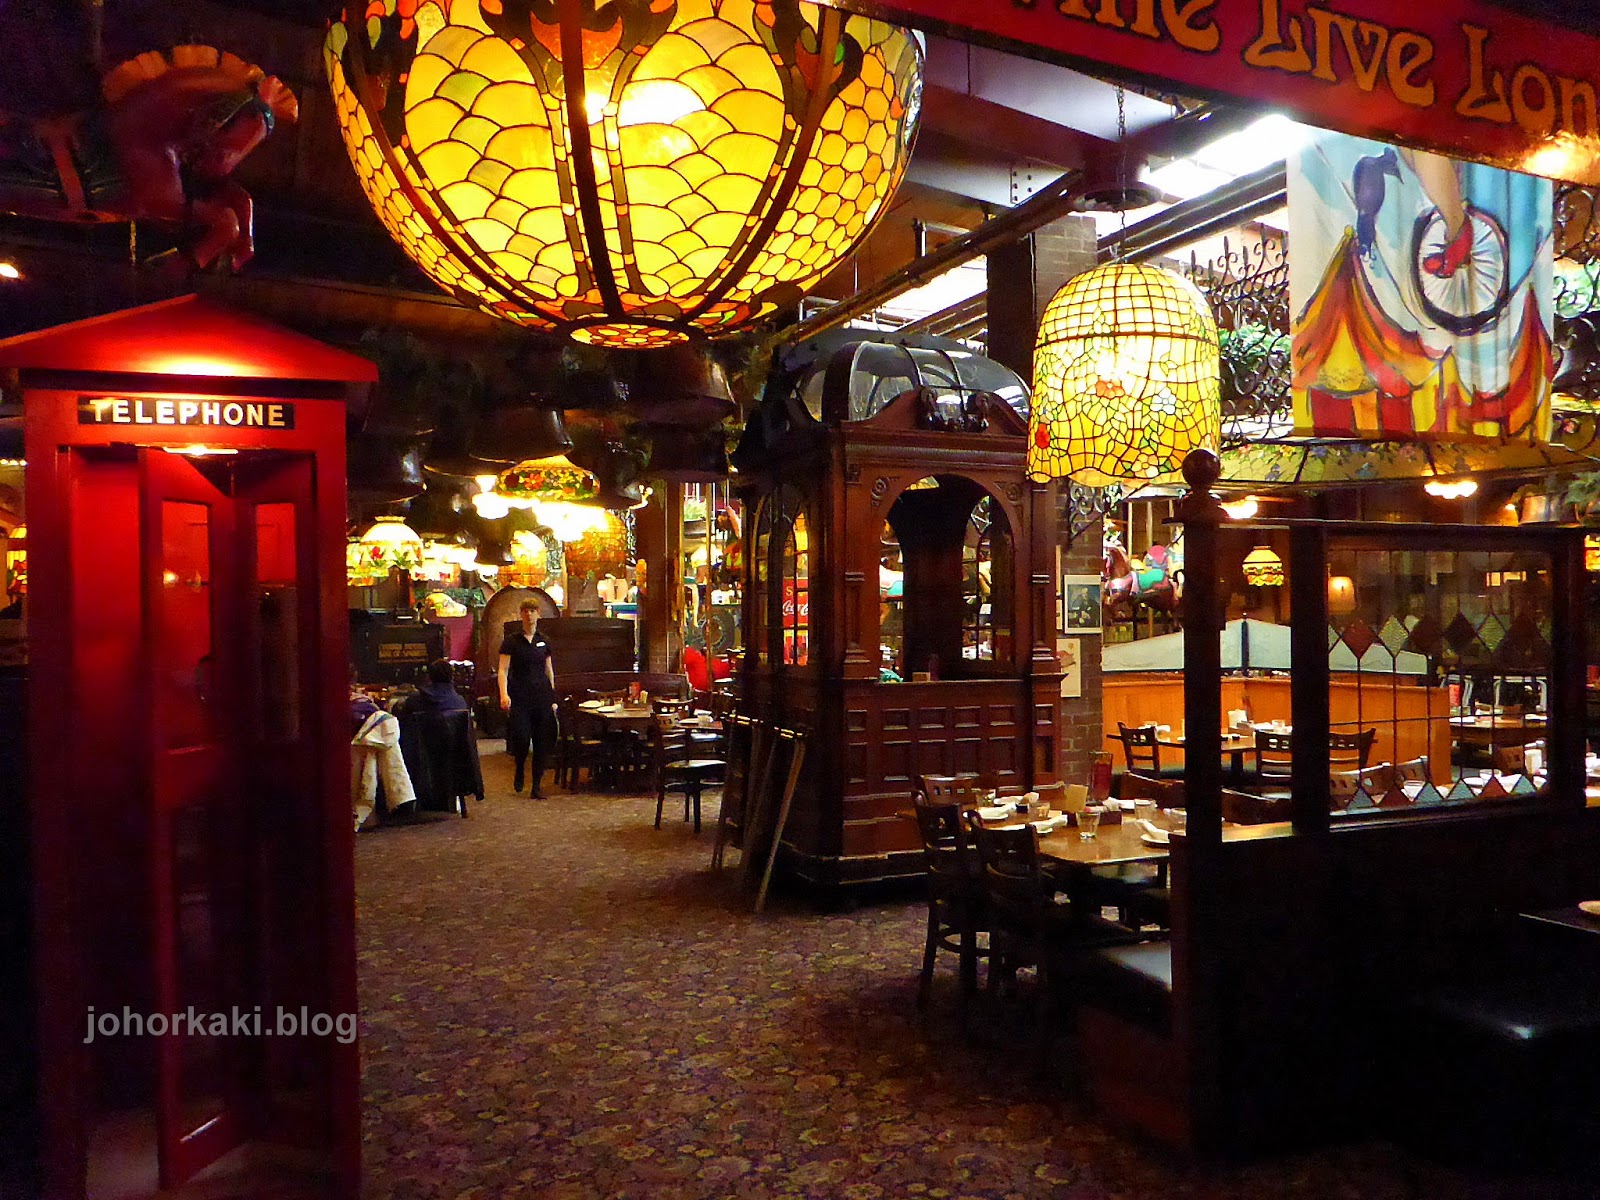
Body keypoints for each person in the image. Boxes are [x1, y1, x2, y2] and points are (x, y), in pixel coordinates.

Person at [498, 600, 557, 797]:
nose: (529, 615)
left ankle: (536, 786)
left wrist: (553, 697)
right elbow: (503, 670)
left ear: (538, 614)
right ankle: (520, 767)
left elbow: (549, 671)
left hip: (542, 696)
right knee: (522, 738)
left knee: (542, 741)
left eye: (532, 611)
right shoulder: (512, 641)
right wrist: (504, 694)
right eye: (525, 611)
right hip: (520, 696)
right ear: (521, 614)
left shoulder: (544, 641)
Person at [396, 658, 468, 717]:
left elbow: (403, 725)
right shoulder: (461, 702)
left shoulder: (414, 701)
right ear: (451, 677)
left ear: (429, 677)